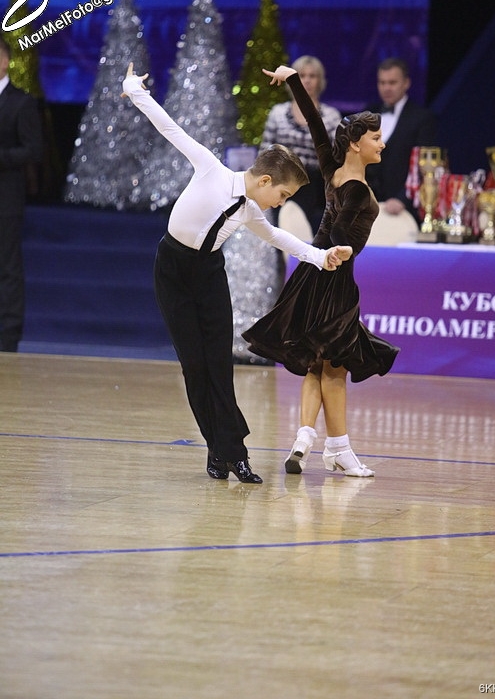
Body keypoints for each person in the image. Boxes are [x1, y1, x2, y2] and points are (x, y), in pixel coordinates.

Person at [121, 63, 352, 485]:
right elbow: (169, 127)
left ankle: (235, 455)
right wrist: (134, 89)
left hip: (209, 273)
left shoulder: (250, 211)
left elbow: (278, 237)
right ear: (264, 180)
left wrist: (321, 257)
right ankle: (217, 449)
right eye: (281, 194)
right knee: (195, 366)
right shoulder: (211, 168)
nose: (279, 202)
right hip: (172, 270)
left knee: (219, 365)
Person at [243, 65, 400, 478]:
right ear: (356, 144)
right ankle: (339, 450)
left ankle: (305, 438)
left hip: (309, 275)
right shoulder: (357, 190)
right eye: (376, 138)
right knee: (335, 369)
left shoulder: (332, 169)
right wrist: (343, 247)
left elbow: (314, 122)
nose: (382, 143)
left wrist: (293, 79)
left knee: (318, 364)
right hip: (334, 280)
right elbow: (343, 233)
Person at [260, 55, 341, 233]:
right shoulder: (278, 113)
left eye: (312, 76)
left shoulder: (331, 116)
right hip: (281, 184)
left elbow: (337, 157)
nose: (307, 80)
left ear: (320, 81)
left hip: (317, 189)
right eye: (302, 76)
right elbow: (265, 153)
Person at [0, 37, 42, 352]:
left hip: (6, 198)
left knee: (8, 266)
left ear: (5, 61)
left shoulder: (21, 102)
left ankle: (9, 333)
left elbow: (33, 149)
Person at [365, 57, 437, 223]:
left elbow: (424, 166)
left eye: (392, 82)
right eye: (382, 83)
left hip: (403, 211)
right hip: (368, 209)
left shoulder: (422, 118)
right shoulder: (368, 113)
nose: (386, 88)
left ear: (406, 83)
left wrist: (403, 199)